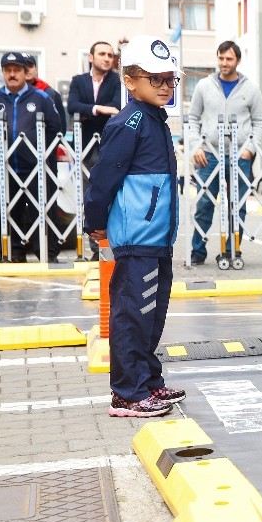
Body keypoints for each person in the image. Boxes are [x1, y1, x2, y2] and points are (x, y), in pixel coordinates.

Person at [84, 35, 185, 417]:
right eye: (154, 78)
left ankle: (148, 383)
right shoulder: (131, 122)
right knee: (132, 314)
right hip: (136, 240)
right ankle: (127, 393)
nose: (163, 85)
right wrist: (94, 222)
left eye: (169, 79)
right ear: (130, 80)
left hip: (156, 238)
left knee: (151, 314)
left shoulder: (155, 120)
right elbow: (104, 177)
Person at [185, 41, 262, 266]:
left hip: (240, 155)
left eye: (229, 59)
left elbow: (259, 121)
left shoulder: (251, 88)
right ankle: (197, 251)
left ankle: (232, 250)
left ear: (237, 60)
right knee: (204, 204)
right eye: (221, 58)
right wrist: (195, 146)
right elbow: (192, 118)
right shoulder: (203, 86)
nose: (224, 63)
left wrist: (250, 149)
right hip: (209, 154)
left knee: (237, 205)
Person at [0, 52, 62, 263]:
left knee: (43, 212)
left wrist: (43, 156)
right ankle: (13, 254)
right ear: (2, 73)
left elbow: (56, 129)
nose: (12, 74)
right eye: (7, 70)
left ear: (24, 72)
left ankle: (46, 254)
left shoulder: (42, 98)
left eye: (16, 70)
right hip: (6, 168)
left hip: (36, 168)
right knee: (8, 211)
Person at [67, 41, 121, 162]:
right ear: (91, 57)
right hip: (82, 143)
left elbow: (117, 106)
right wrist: (98, 109)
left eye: (110, 55)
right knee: (82, 180)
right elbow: (72, 106)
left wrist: (85, 112)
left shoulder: (119, 81)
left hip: (109, 143)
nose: (107, 58)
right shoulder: (78, 80)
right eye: (102, 54)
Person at [21, 53, 65, 125]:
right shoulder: (8, 95)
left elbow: (60, 127)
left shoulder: (50, 94)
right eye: (23, 67)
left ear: (36, 69)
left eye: (30, 66)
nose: (27, 70)